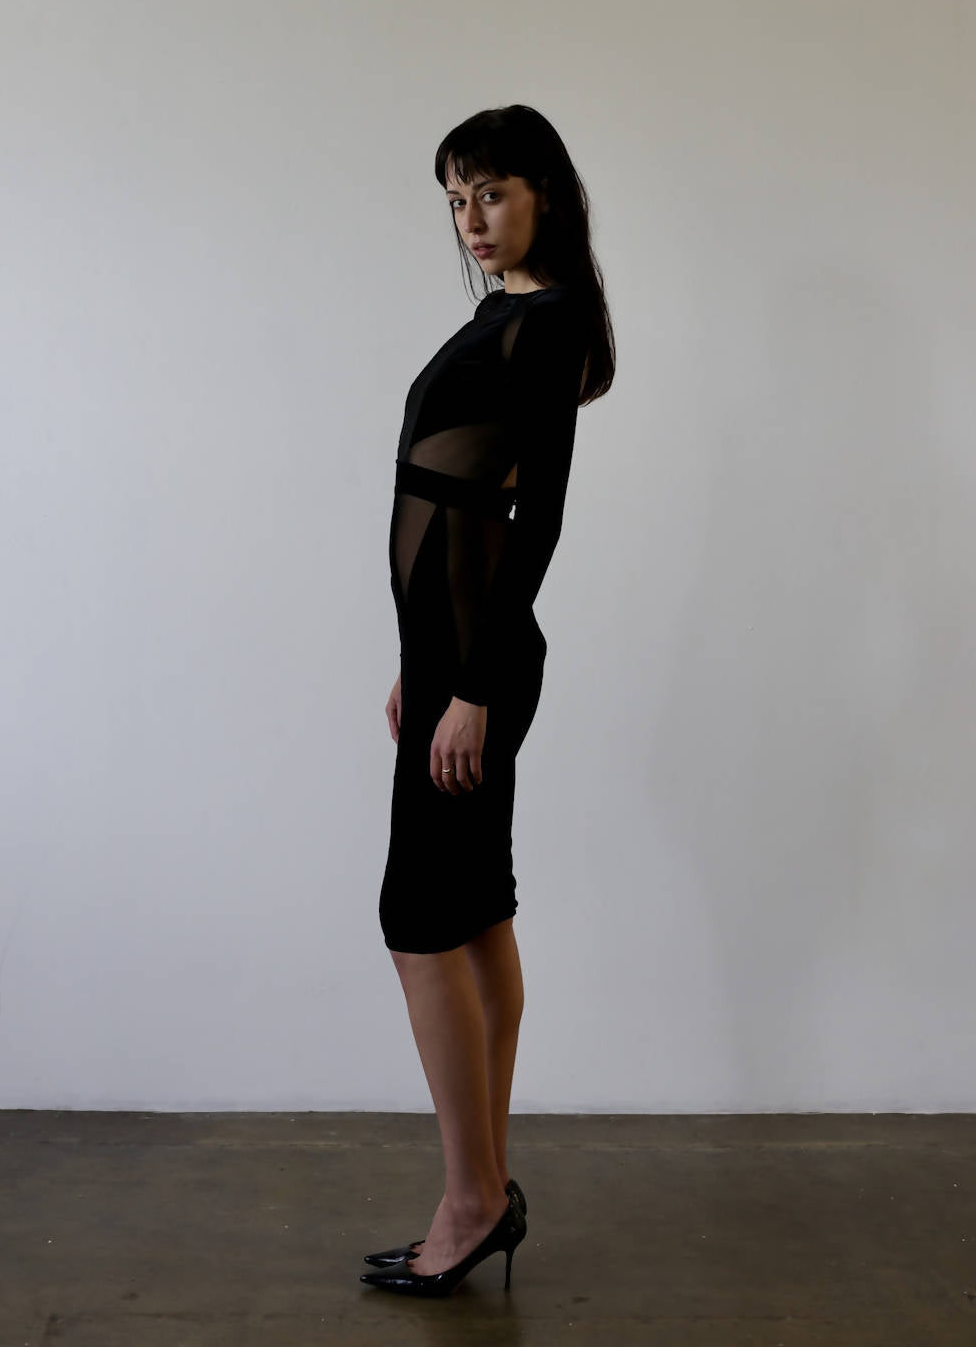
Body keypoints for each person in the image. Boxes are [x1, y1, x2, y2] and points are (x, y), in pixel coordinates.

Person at [360, 103, 615, 1299]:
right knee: (472, 914)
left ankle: (468, 1203)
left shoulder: (549, 322)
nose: (470, 218)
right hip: (454, 653)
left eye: (492, 193)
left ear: (546, 194)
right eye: (455, 197)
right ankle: (485, 1187)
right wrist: (428, 659)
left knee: (420, 920)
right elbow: (455, 506)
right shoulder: (505, 310)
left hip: (483, 662)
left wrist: (473, 683)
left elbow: (539, 516)